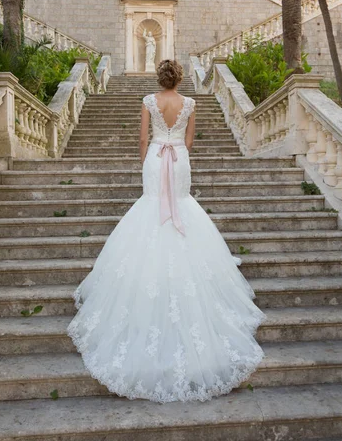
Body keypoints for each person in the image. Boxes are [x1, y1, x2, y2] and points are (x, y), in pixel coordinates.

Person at [67, 59, 265, 403]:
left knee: (153, 207)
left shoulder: (148, 101)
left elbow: (143, 139)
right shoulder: (190, 103)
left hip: (157, 157)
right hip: (179, 161)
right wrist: (176, 153)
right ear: (180, 79)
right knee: (182, 206)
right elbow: (189, 141)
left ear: (160, 78)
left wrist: (150, 160)